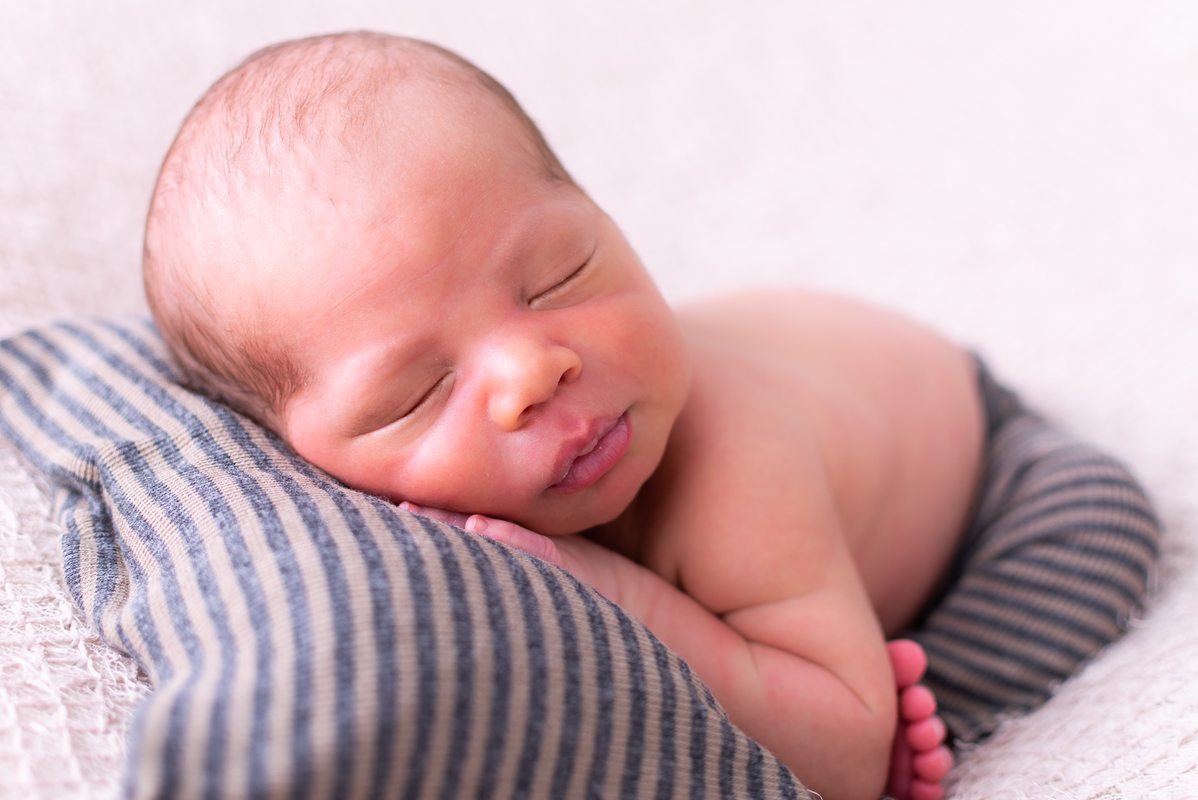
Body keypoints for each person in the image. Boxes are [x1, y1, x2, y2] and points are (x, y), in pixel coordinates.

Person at [142, 32, 1160, 800]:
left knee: (1102, 520)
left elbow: (844, 754)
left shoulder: (734, 456)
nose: (534, 371)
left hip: (990, 470)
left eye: (558, 276)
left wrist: (610, 590)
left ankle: (944, 694)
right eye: (417, 393)